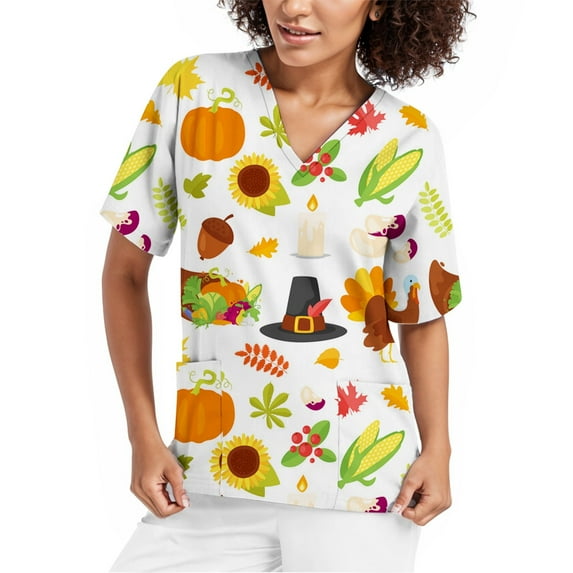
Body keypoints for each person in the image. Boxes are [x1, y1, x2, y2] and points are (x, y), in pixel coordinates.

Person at [101, 1, 472, 571]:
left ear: (381, 5)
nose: (294, 7)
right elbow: (126, 272)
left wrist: (439, 447)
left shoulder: (408, 139)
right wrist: (142, 434)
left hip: (360, 480)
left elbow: (421, 314)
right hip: (207, 467)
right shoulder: (193, 91)